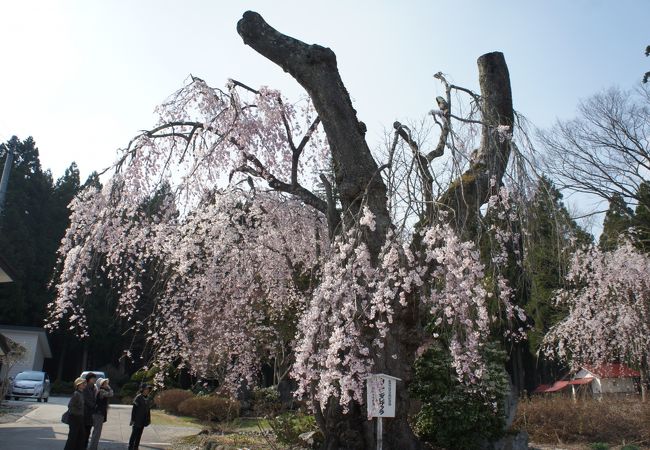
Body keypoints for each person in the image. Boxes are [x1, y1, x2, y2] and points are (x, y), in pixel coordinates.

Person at [88, 377, 114, 450]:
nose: (107, 384)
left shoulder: (99, 390)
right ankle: (93, 448)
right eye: (105, 383)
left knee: (96, 432)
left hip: (97, 413)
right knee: (97, 432)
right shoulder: (102, 391)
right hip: (98, 414)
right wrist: (109, 387)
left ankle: (93, 447)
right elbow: (111, 394)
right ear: (101, 384)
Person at [128, 383, 152, 450]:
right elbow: (134, 410)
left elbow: (148, 410)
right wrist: (132, 420)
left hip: (143, 420)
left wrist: (148, 419)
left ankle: (136, 447)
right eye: (146, 389)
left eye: (148, 389)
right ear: (142, 389)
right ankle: (130, 448)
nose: (147, 390)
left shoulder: (148, 398)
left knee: (139, 435)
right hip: (137, 420)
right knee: (134, 435)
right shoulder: (138, 398)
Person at [64, 377, 86, 450]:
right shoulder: (76, 394)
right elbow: (70, 405)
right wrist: (76, 412)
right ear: (78, 385)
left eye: (84, 383)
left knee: (81, 436)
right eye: (82, 383)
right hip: (74, 418)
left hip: (80, 418)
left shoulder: (81, 393)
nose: (84, 385)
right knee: (72, 437)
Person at [82, 372, 98, 448]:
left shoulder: (94, 388)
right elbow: (85, 399)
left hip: (91, 414)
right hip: (85, 413)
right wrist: (94, 405)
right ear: (88, 379)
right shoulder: (85, 387)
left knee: (88, 433)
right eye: (93, 378)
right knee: (83, 433)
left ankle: (84, 447)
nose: (95, 380)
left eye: (95, 378)